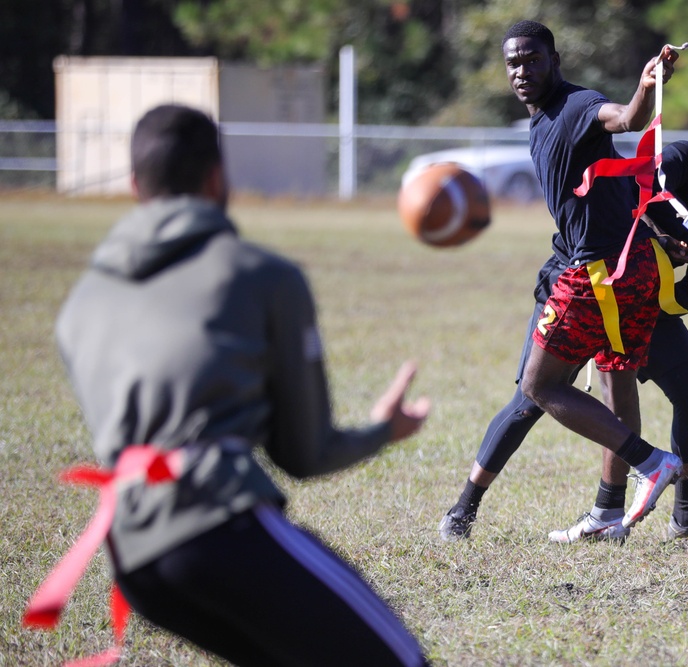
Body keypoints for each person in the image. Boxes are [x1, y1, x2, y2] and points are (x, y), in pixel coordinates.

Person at [51, 104, 431, 666]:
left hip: (130, 555)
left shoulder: (78, 305)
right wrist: (384, 430)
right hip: (215, 527)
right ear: (216, 177)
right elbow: (304, 453)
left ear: (135, 185)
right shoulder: (263, 276)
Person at [440, 100, 688, 544]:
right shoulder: (685, 160)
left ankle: (684, 518)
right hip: (583, 280)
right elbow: (646, 188)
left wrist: (650, 311)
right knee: (532, 395)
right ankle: (463, 509)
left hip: (640, 301)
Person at [441, 19, 688, 542]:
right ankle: (609, 515)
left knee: (539, 386)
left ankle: (649, 462)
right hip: (632, 268)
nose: (522, 71)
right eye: (513, 63)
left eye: (533, 60)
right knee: (617, 381)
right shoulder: (540, 120)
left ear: (554, 61)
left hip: (598, 274)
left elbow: (626, 118)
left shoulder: (576, 106)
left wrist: (648, 87)